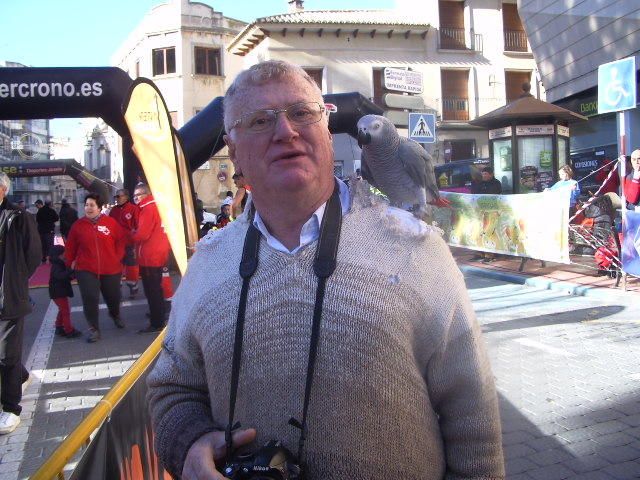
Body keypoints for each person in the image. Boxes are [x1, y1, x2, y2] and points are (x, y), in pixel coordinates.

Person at [147, 60, 504, 480]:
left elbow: (474, 420)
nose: (286, 132)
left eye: (302, 113)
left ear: (327, 131)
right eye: (261, 121)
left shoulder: (418, 250)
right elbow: (171, 389)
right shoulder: (207, 262)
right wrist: (189, 444)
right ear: (234, 150)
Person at [0, 173, 41, 435]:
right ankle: (22, 376)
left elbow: (34, 254)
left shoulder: (17, 217)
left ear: (3, 189)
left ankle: (10, 408)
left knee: (7, 355)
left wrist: (15, 280)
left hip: (9, 298)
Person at [65, 193, 126, 343]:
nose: (88, 208)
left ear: (99, 207)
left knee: (113, 297)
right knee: (90, 298)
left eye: (92, 205)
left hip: (111, 268)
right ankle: (94, 329)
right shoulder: (78, 226)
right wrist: (70, 262)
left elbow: (121, 242)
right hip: (86, 269)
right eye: (86, 205)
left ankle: (115, 314)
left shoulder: (110, 223)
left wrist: (116, 258)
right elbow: (70, 247)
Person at [131, 184, 171, 334]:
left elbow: (143, 234)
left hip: (149, 255)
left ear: (145, 194)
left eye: (138, 194)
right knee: (156, 287)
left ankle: (157, 321)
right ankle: (158, 314)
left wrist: (132, 235)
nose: (136, 198)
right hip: (159, 252)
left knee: (151, 289)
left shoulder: (147, 209)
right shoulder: (159, 206)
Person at [109, 189, 140, 298]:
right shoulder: (113, 211)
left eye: (119, 196)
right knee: (116, 266)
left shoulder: (133, 209)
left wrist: (134, 236)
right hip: (116, 244)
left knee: (131, 266)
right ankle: (117, 289)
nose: (116, 199)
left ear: (126, 197)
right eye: (115, 197)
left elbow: (138, 226)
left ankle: (133, 287)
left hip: (130, 243)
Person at [48, 245, 81, 338]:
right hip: (58, 292)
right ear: (59, 255)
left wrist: (72, 274)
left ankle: (59, 326)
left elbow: (65, 276)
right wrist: (71, 270)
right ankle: (69, 330)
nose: (65, 255)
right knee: (65, 311)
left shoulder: (59, 264)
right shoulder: (56, 266)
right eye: (64, 253)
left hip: (58, 291)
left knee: (62, 310)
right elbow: (61, 276)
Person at [470, 167, 502, 262]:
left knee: (489, 231)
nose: (484, 176)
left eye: (486, 174)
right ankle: (479, 252)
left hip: (491, 212)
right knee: (479, 231)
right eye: (483, 174)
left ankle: (490, 254)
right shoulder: (479, 183)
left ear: (491, 174)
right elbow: (474, 193)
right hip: (480, 212)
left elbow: (493, 194)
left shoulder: (496, 183)